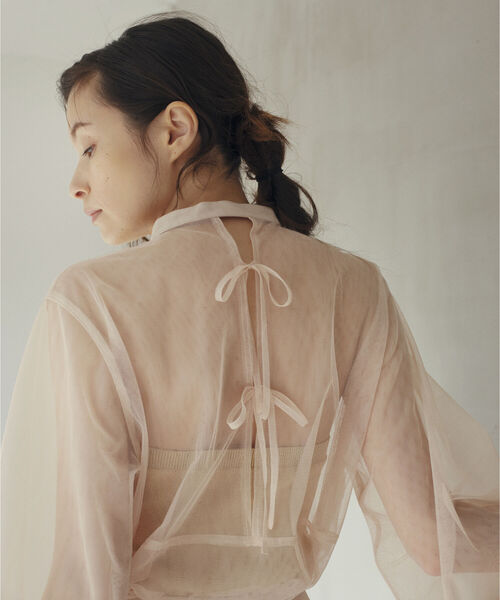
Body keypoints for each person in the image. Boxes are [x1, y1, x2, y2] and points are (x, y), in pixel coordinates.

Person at [1, 10, 498, 600]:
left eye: (88, 146)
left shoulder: (92, 302)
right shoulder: (355, 286)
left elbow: (84, 580)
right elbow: (436, 541)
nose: (75, 183)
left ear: (174, 129)